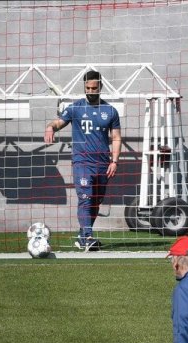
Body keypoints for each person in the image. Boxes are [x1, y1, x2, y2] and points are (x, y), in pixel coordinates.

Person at [43, 70, 121, 251]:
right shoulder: (75, 108)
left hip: (103, 164)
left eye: (94, 88)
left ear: (100, 87)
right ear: (84, 87)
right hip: (82, 162)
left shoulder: (110, 111)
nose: (91, 91)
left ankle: (83, 234)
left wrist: (114, 161)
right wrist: (50, 128)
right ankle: (88, 237)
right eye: (87, 88)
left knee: (96, 200)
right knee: (85, 197)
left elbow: (116, 137)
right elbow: (57, 122)